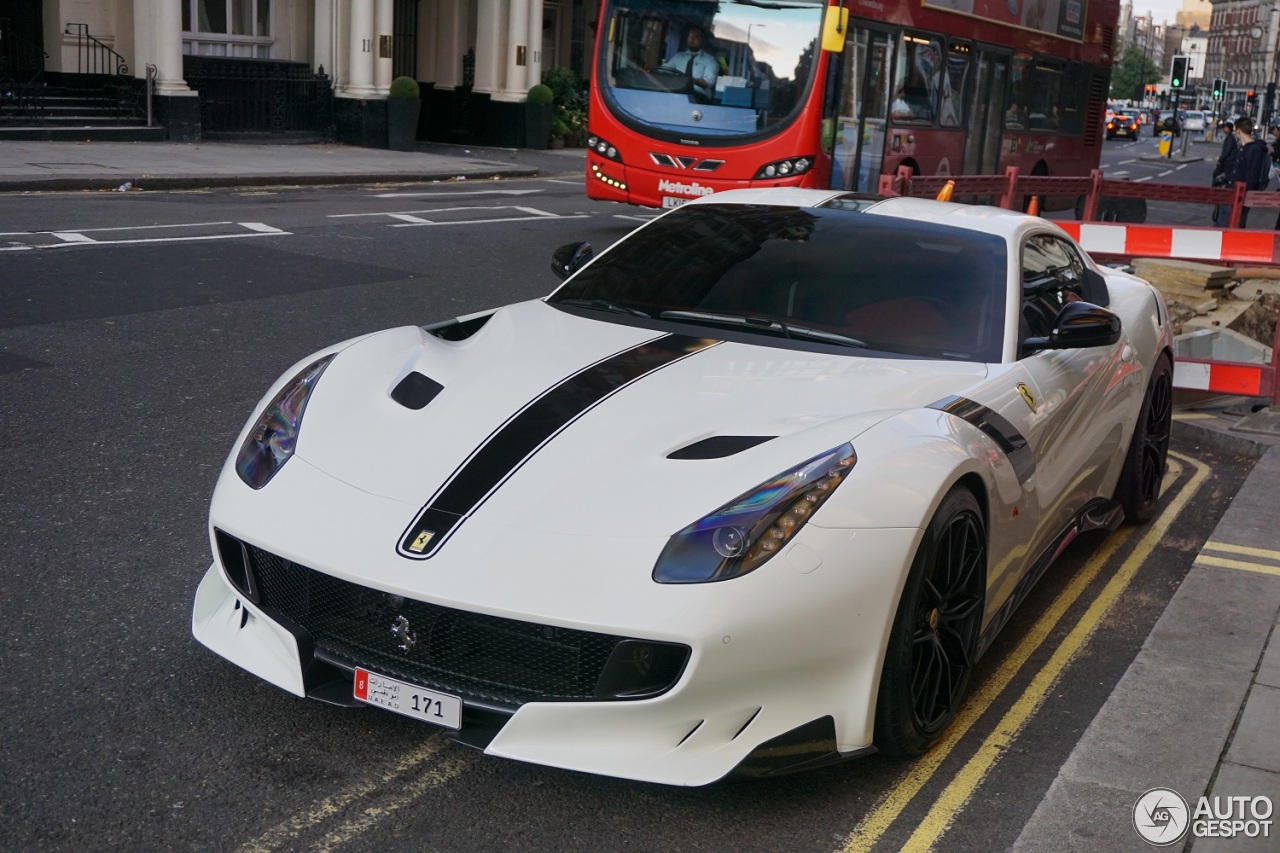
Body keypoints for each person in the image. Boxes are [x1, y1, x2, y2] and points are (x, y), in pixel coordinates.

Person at [1214, 116, 1269, 227]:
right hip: (1232, 194)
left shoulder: (1254, 149)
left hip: (1239, 198)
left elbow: (1252, 176)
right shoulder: (1244, 148)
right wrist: (1225, 179)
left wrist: (1243, 194)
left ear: (1239, 131)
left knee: (1228, 229)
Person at [661, 24, 719, 102]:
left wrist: (692, 80)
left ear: (703, 40)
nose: (692, 39)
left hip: (700, 97)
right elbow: (664, 70)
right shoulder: (679, 56)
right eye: (690, 36)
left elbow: (708, 82)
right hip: (678, 93)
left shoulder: (710, 60)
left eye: (696, 36)